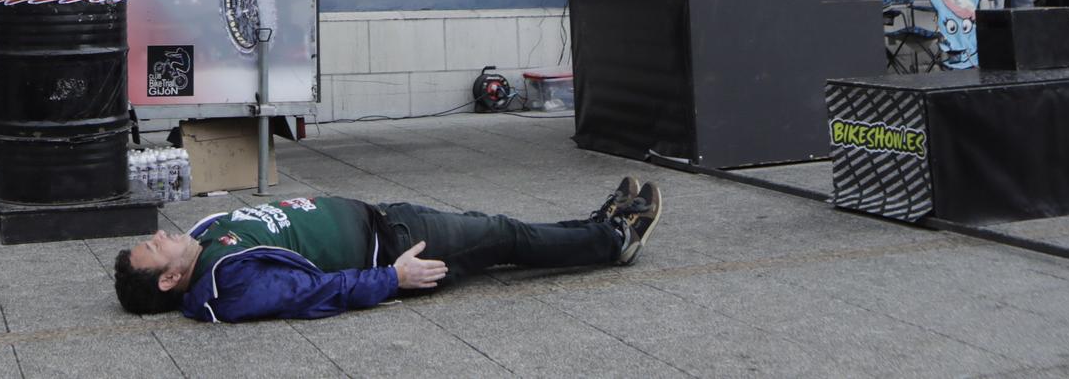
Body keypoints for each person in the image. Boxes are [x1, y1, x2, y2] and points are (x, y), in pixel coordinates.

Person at [114, 179, 662, 322]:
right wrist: (393, 279)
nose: (160, 235)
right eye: (152, 247)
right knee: (503, 235)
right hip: (397, 247)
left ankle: (594, 228)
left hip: (384, 217)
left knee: (499, 232)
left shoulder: (205, 244)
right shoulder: (229, 288)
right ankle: (615, 239)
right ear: (167, 280)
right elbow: (314, 293)